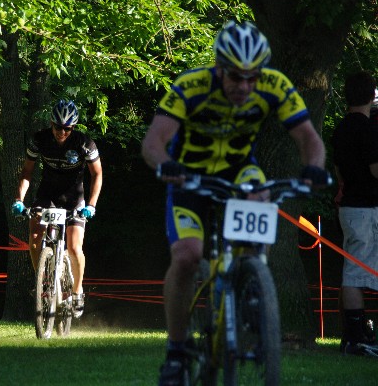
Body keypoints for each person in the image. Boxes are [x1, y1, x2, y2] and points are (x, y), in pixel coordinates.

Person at [141, 20, 331, 385]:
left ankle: (251, 288)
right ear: (218, 66)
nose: (244, 86)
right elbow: (154, 141)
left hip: (241, 172)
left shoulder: (275, 85)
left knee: (260, 193)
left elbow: (309, 137)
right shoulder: (190, 86)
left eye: (252, 77)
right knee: (186, 257)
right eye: (235, 76)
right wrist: (166, 165)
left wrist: (314, 169)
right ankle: (177, 352)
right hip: (191, 178)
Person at [11, 99, 103, 319]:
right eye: (58, 127)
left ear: (73, 127)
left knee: (73, 247)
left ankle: (77, 291)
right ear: (51, 123)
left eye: (67, 128)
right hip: (48, 195)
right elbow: (26, 172)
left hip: (75, 198)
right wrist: (19, 200)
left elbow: (97, 174)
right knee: (34, 237)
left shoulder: (84, 143)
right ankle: (43, 280)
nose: (62, 132)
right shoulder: (39, 140)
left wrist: (91, 205)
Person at [331, 71, 378, 356]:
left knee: (353, 271)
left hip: (349, 208)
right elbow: (375, 169)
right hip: (367, 210)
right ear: (372, 95)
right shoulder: (368, 129)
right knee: (355, 274)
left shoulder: (340, 129)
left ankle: (352, 334)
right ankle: (357, 338)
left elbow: (339, 172)